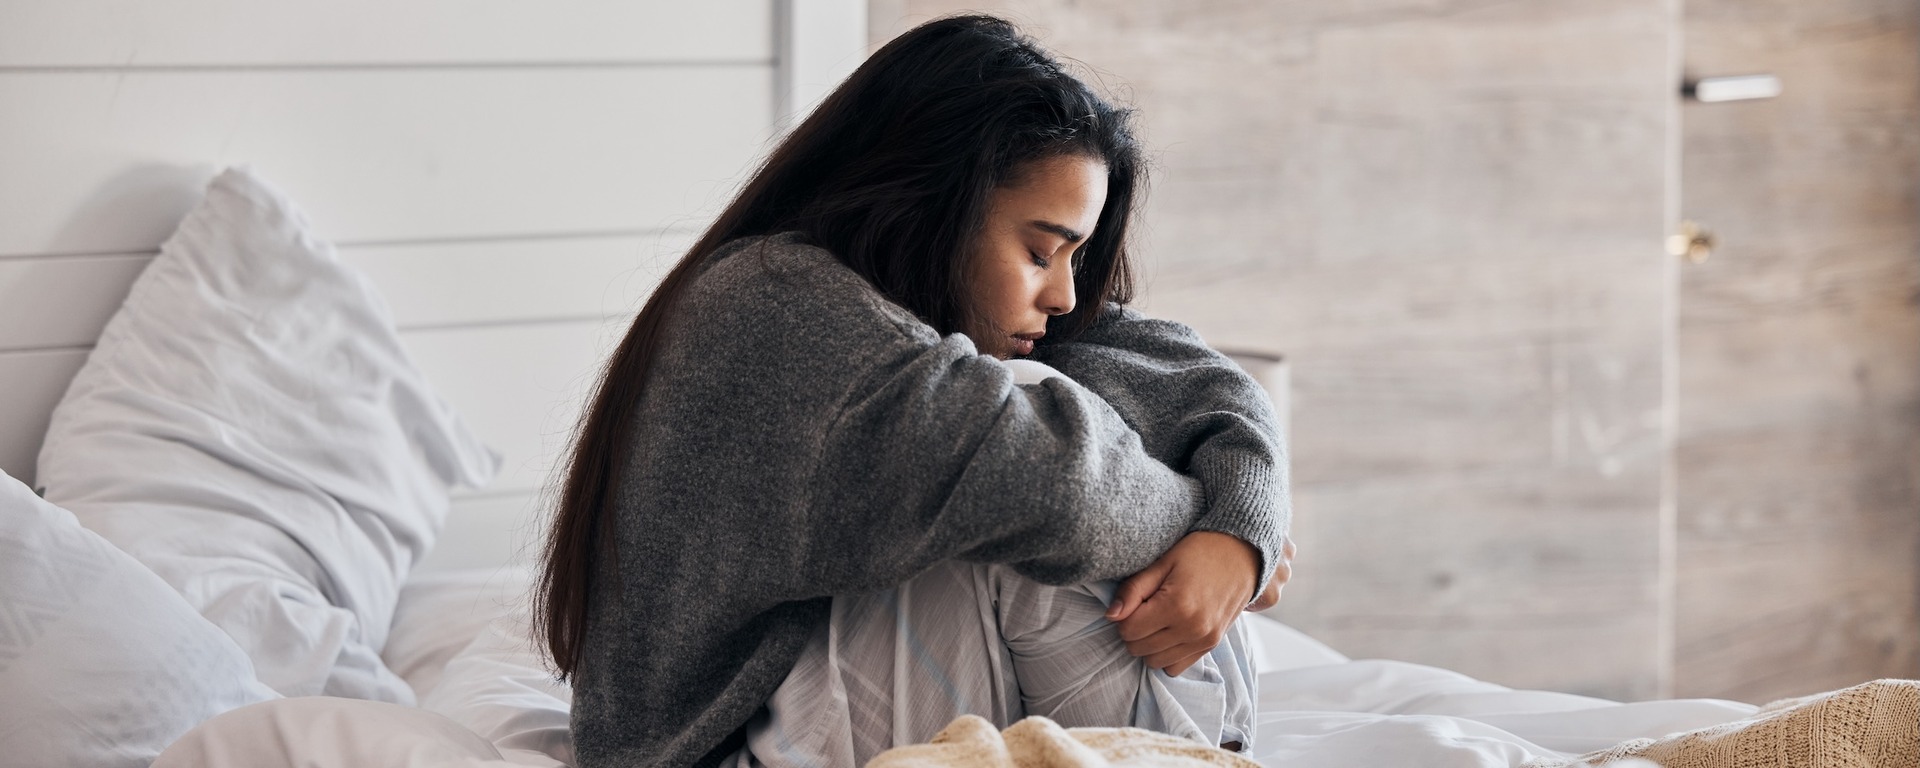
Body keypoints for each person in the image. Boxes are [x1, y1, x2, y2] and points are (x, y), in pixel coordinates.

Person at [535, 14, 1292, 768]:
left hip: (801, 720)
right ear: (932, 204)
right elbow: (1052, 486)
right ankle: (1180, 753)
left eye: (1077, 256)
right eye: (1039, 252)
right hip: (713, 753)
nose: (1064, 294)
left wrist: (1241, 532)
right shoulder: (773, 303)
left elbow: (1202, 381)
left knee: (1031, 421)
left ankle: (1170, 749)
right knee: (1021, 441)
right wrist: (1204, 522)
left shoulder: (937, 308)